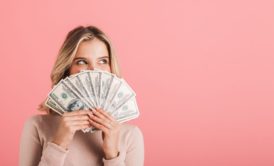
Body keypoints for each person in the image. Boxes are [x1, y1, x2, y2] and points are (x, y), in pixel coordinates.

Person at [19, 25, 144, 166]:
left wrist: (112, 154)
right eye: (82, 62)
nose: (93, 70)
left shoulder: (130, 135)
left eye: (103, 61)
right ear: (67, 69)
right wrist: (59, 143)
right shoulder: (37, 126)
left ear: (111, 67)